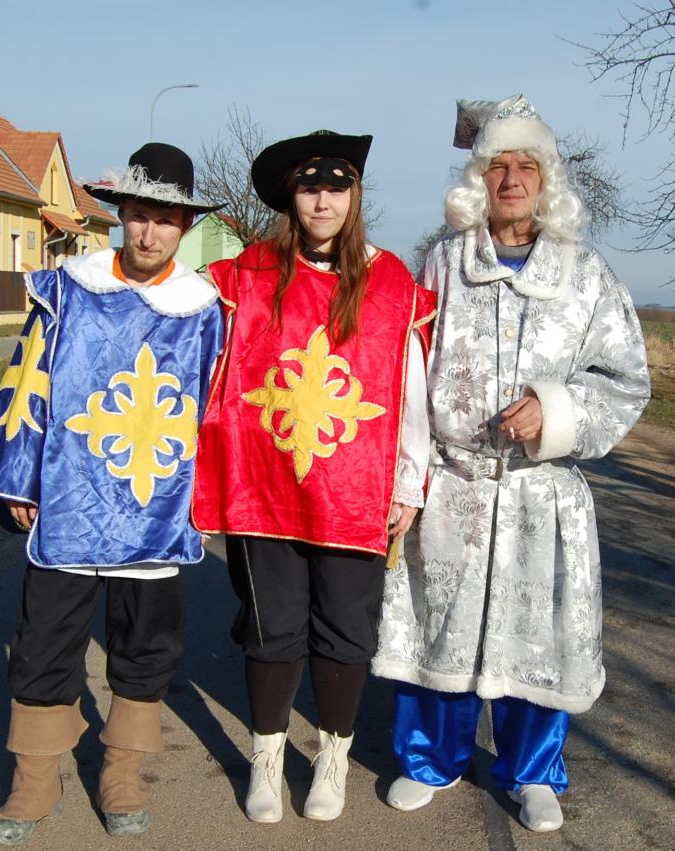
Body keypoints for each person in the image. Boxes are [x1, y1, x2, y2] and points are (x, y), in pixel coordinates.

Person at [371, 95, 651, 832]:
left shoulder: (585, 274)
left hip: (539, 493)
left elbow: (625, 380)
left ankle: (532, 771)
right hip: (455, 486)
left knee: (537, 633)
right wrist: (405, 475)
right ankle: (430, 758)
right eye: (499, 165)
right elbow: (407, 368)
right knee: (440, 624)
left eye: (528, 166)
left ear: (547, 179)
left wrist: (555, 411)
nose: (513, 179)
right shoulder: (445, 263)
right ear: (478, 179)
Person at [0, 142, 224, 845]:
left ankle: (122, 772)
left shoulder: (203, 309)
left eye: (164, 220)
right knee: (44, 641)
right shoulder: (68, 289)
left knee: (145, 645)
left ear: (184, 226)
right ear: (120, 216)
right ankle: (34, 778)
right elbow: (28, 381)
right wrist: (19, 478)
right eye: (138, 216)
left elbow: (214, 408)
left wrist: (209, 497)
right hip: (70, 499)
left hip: (156, 507)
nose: (149, 233)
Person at [191, 130, 437, 824]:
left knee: (345, 628)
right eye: (309, 187)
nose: (323, 200)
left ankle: (332, 758)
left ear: (355, 195)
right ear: (291, 198)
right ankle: (266, 758)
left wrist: (408, 481)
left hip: (355, 490)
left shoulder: (389, 282)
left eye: (336, 186)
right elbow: (206, 360)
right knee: (272, 626)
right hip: (264, 483)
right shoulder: (248, 276)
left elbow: (407, 387)